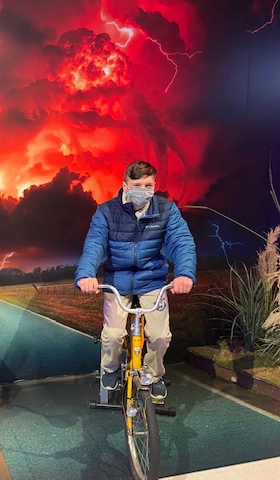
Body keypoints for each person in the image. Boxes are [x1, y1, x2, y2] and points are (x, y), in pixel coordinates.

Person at [75, 160, 196, 400]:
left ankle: (153, 375)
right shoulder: (107, 211)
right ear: (125, 186)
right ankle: (110, 370)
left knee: (160, 335)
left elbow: (181, 242)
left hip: (152, 279)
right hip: (118, 280)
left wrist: (184, 273)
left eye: (148, 185)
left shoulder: (167, 210)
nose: (143, 189)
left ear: (154, 185)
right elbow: (95, 244)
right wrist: (86, 274)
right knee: (112, 335)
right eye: (137, 185)